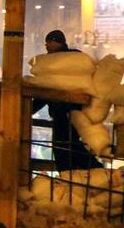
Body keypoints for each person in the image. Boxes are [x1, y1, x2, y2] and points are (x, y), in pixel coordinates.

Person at [32, 29, 103, 171]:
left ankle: (88, 170)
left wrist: (29, 109)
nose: (46, 45)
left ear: (56, 42)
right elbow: (49, 89)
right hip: (71, 110)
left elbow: (47, 91)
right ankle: (85, 171)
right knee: (69, 145)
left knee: (65, 146)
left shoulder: (60, 63)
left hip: (65, 111)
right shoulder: (58, 64)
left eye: (48, 42)